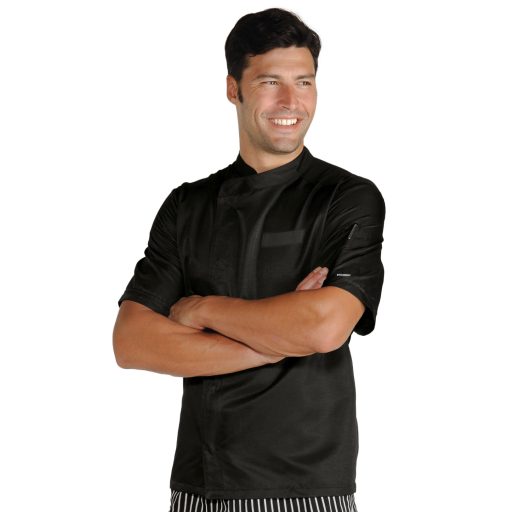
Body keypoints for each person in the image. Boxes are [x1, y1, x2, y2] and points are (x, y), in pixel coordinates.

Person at [113, 8, 386, 512]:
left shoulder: (347, 198)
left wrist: (202, 310)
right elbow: (131, 342)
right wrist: (279, 344)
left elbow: (325, 327)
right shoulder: (188, 206)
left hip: (310, 490)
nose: (290, 102)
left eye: (304, 82)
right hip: (200, 486)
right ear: (233, 89)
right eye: (269, 82)